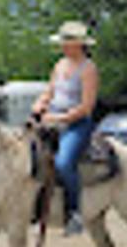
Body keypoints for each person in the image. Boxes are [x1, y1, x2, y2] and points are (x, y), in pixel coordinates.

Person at [31, 20, 100, 236]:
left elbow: (86, 107)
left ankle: (75, 213)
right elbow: (49, 92)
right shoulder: (59, 65)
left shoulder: (89, 69)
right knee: (29, 155)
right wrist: (40, 103)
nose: (62, 46)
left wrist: (59, 118)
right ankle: (36, 209)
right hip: (52, 119)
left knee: (63, 163)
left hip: (77, 124)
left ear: (78, 44)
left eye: (65, 43)